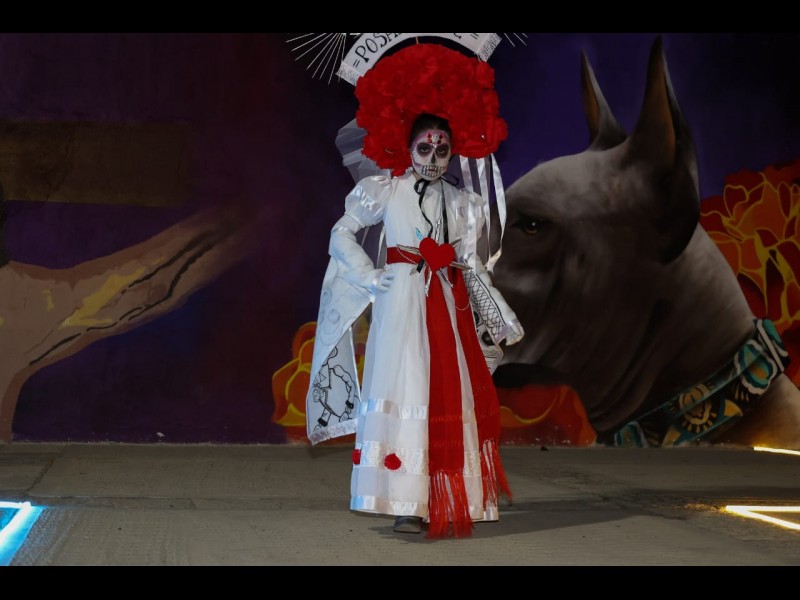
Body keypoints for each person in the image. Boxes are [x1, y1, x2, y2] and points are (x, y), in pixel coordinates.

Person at [305, 43, 524, 539]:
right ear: (405, 147)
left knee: (447, 391)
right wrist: (368, 276)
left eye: (442, 150)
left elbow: (471, 265)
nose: (433, 158)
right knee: (405, 387)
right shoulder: (385, 191)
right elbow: (341, 234)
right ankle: (406, 500)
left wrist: (498, 316)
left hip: (448, 305)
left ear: (454, 149)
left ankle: (450, 494)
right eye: (424, 149)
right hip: (402, 301)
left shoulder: (464, 203)